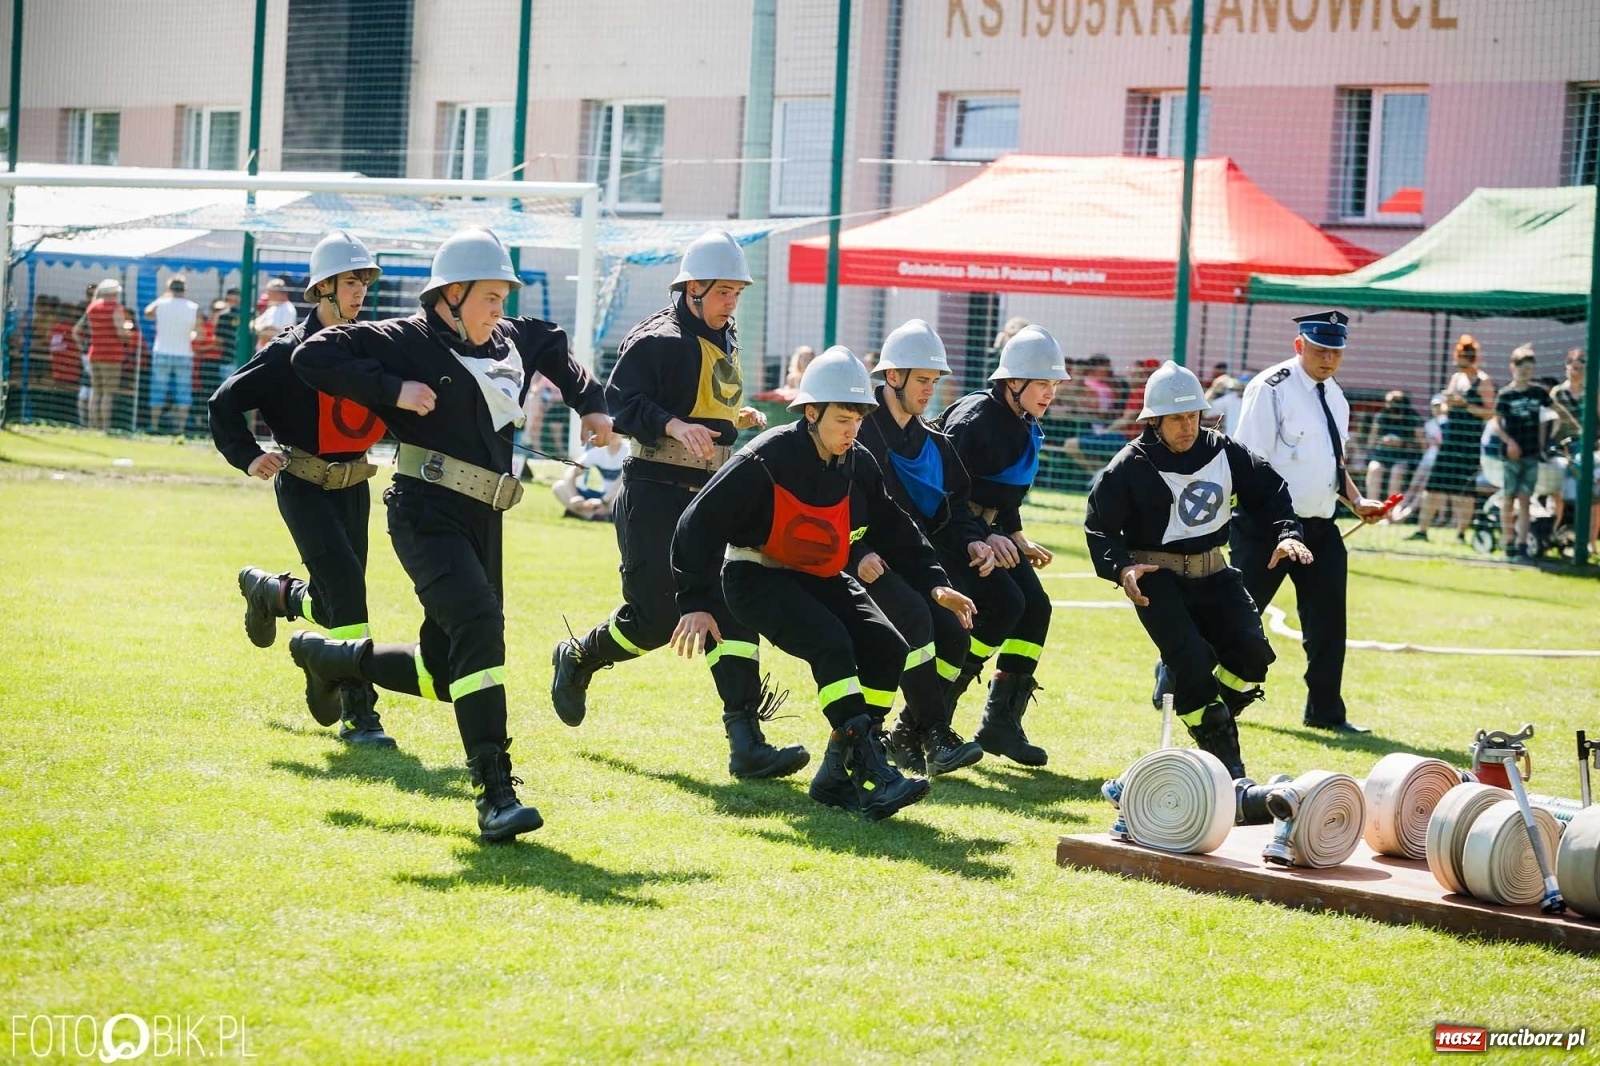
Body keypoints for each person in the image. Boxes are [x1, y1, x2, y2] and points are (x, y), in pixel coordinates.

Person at [289, 227, 612, 842]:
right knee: (481, 630)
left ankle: (332, 660)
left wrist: (589, 402)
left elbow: (554, 348)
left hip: (484, 519)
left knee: (445, 670)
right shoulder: (402, 340)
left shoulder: (510, 336)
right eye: (490, 296)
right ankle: (494, 793)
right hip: (423, 512)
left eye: (502, 296)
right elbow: (312, 358)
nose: (500, 309)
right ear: (451, 295)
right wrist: (392, 391)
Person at [670, 347, 975, 820]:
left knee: (887, 647)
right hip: (756, 578)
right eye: (841, 420)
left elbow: (894, 526)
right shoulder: (766, 456)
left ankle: (839, 772)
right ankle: (870, 771)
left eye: (858, 419)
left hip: (819, 576)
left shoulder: (858, 461)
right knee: (832, 644)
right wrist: (693, 599)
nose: (852, 430)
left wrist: (935, 584)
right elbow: (697, 521)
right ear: (811, 412)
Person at [549, 230, 808, 783]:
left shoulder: (725, 335)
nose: (731, 302)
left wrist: (731, 421)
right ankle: (578, 658)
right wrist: (673, 425)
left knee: (733, 603)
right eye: (723, 292)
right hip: (655, 491)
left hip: (715, 494)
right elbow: (619, 404)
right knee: (658, 619)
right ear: (692, 288)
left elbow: (704, 399)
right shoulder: (656, 339)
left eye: (737, 292)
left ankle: (747, 743)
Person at [210, 231, 395, 747]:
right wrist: (249, 457)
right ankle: (361, 714)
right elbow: (223, 403)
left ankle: (274, 594)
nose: (361, 291)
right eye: (352, 281)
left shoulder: (371, 344)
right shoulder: (285, 351)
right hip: (302, 486)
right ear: (324, 287)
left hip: (355, 487)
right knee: (349, 592)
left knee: (338, 599)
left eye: (365, 281)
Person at [1085, 361, 1310, 778]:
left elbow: (1271, 491)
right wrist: (1122, 570)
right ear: (1154, 420)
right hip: (1159, 582)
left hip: (1216, 574)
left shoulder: (1225, 450)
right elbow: (1099, 526)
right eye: (1176, 418)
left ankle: (1211, 719)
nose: (1187, 426)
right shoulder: (1130, 465)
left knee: (1252, 657)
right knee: (1190, 664)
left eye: (1192, 416)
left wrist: (1287, 534)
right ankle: (1230, 771)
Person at [854, 319, 1009, 777]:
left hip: (918, 561)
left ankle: (912, 731)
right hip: (863, 563)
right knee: (919, 624)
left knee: (958, 630)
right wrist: (854, 553)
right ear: (894, 376)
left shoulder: (936, 445)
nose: (930, 391)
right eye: (923, 380)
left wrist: (975, 542)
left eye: (935, 381)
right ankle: (930, 734)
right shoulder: (858, 430)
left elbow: (955, 511)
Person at [1231, 311, 1387, 735]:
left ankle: (1325, 710)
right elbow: (1250, 460)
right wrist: (1272, 525)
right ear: (1299, 346)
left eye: (1336, 352)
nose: (1328, 359)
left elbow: (1331, 462)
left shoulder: (1335, 395)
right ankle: (1178, 679)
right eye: (1319, 350)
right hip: (1268, 525)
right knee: (1235, 614)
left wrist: (1357, 500)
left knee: (1328, 626)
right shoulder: (1270, 388)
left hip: (1320, 526)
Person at [939, 325, 1071, 765]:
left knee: (1036, 608)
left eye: (1055, 384)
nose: (1050, 393)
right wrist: (982, 536)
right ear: (1013, 383)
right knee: (1003, 607)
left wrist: (1015, 535)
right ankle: (931, 714)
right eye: (1043, 383)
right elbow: (946, 490)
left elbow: (1001, 493)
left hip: (987, 535)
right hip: (950, 534)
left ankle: (1000, 723)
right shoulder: (974, 418)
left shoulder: (1023, 421)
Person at [1420, 334, 1496, 542]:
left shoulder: (1483, 381)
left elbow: (1490, 413)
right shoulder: (1456, 378)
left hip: (1469, 441)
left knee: (1464, 490)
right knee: (1434, 485)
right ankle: (1422, 530)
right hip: (1450, 439)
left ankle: (1461, 533)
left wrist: (1465, 405)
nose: (1459, 362)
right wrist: (1443, 405)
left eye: (1463, 357)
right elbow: (1447, 405)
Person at [1490, 345, 1553, 562]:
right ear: (1512, 368)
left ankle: (1522, 544)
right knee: (1508, 498)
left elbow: (1553, 416)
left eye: (1529, 368)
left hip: (1532, 453)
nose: (1525, 372)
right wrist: (1510, 443)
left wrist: (1544, 443)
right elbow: (1497, 424)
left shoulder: (1538, 393)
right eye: (1521, 368)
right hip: (1511, 455)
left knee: (1526, 500)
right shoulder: (1505, 394)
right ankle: (1507, 542)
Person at [144, 276, 201, 434]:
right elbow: (200, 334)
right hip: (184, 353)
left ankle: (154, 425)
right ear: (185, 289)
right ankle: (180, 428)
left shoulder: (161, 304)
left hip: (161, 351)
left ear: (169, 288)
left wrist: (162, 297)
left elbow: (147, 312)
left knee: (158, 390)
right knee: (184, 392)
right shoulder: (193, 307)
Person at [73, 279, 130, 431]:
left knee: (96, 391)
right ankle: (105, 427)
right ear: (114, 293)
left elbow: (79, 330)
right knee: (108, 393)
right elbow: (120, 332)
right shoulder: (116, 308)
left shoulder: (92, 307)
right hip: (111, 355)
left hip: (94, 353)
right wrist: (128, 333)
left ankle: (93, 426)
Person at [1363, 390, 1424, 503]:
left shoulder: (1413, 419)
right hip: (1382, 455)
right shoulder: (1381, 417)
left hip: (1404, 457)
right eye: (1389, 401)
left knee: (1397, 471)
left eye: (1396, 401)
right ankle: (1372, 506)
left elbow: (1422, 445)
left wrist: (1403, 443)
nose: (1391, 404)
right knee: (1374, 468)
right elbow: (1371, 442)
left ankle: (1390, 510)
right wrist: (1382, 441)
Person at [551, 435, 630, 521]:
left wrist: (603, 501)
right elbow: (571, 471)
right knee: (558, 487)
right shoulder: (597, 451)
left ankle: (583, 513)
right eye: (609, 428)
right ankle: (597, 516)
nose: (612, 433)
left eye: (615, 429)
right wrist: (574, 496)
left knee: (619, 500)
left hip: (616, 497)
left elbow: (622, 481)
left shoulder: (629, 451)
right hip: (601, 497)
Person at [253, 278, 299, 348]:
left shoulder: (289, 310)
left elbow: (278, 334)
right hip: (265, 352)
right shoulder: (272, 308)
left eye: (270, 293)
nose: (268, 296)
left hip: (277, 353)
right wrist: (264, 329)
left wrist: (263, 329)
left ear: (277, 293)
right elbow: (253, 324)